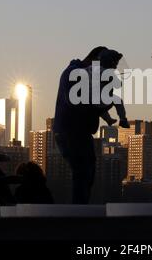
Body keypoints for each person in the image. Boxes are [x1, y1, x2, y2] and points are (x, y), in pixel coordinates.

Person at [53, 46, 109, 204]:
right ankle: (79, 211)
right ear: (95, 61)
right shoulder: (75, 74)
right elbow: (77, 102)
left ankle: (80, 208)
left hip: (78, 132)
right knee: (82, 171)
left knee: (86, 171)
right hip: (72, 132)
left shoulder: (82, 75)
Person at [87, 49, 130, 128]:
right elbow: (118, 85)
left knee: (100, 105)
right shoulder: (106, 72)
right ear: (109, 61)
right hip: (98, 101)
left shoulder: (92, 68)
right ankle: (123, 120)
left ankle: (108, 119)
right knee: (117, 100)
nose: (116, 65)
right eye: (115, 63)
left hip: (89, 101)